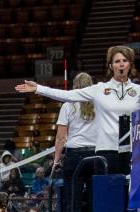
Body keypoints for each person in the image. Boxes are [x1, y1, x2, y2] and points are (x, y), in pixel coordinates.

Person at [16, 45, 137, 174]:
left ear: (130, 64)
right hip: (106, 151)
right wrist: (39, 89)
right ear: (111, 66)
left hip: (132, 151)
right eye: (117, 61)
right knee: (106, 193)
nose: (121, 64)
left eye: (125, 61)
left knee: (130, 193)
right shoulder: (99, 89)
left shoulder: (138, 91)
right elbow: (67, 95)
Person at [49, 72, 97, 212]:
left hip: (75, 158)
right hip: (96, 157)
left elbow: (61, 137)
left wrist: (56, 160)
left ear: (75, 88)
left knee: (72, 204)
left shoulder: (68, 105)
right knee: (95, 203)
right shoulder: (99, 104)